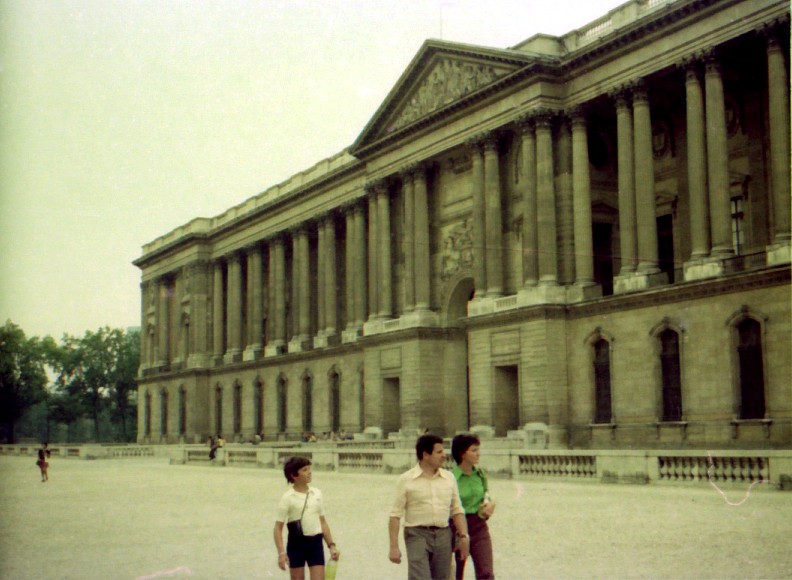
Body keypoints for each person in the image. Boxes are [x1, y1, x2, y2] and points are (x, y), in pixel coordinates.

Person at [389, 434, 470, 580]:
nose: (444, 455)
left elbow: (457, 510)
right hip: (416, 535)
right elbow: (395, 515)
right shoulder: (406, 480)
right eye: (439, 452)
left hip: (444, 535)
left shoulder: (449, 478)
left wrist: (464, 536)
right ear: (425, 455)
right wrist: (394, 547)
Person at [274, 456, 340, 579]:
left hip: (315, 543)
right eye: (304, 470)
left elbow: (322, 522)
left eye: (309, 469)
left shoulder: (317, 494)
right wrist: (281, 553)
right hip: (296, 544)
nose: (309, 472)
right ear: (294, 475)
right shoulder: (288, 498)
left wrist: (331, 545)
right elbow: (278, 528)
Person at [451, 434, 495, 579]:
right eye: (474, 450)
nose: (478, 453)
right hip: (455, 528)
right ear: (462, 453)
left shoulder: (480, 475)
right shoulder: (450, 478)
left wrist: (491, 505)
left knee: (486, 572)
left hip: (478, 526)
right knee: (456, 574)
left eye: (478, 449)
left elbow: (486, 495)